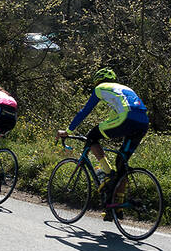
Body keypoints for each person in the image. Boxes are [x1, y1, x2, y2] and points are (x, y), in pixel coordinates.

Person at [56, 67, 149, 220]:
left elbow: (84, 111)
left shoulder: (100, 88)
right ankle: (116, 207)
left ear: (98, 81)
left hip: (127, 118)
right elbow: (115, 115)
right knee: (122, 163)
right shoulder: (124, 89)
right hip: (143, 123)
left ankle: (107, 173)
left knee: (91, 137)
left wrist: (68, 131)